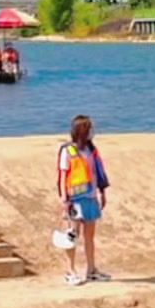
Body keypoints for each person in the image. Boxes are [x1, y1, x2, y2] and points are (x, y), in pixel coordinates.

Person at [55, 114, 110, 285]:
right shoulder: (68, 151)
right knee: (72, 236)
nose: (92, 132)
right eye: (89, 129)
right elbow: (63, 176)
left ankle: (91, 270)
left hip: (90, 197)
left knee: (89, 237)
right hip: (75, 199)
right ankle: (70, 271)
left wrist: (102, 192)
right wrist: (65, 200)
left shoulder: (91, 150)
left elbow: (96, 173)